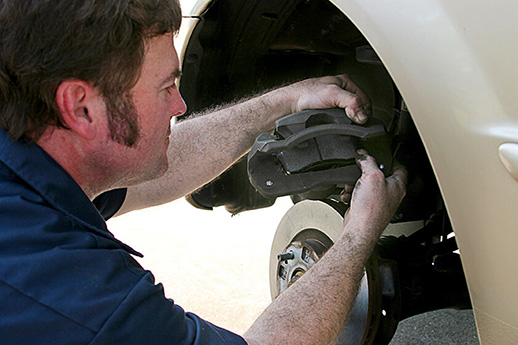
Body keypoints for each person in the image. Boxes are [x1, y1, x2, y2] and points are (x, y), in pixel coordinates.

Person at [0, 0, 407, 344]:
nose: (179, 105)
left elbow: (162, 167)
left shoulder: (32, 154)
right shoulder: (76, 298)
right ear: (81, 106)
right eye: (165, 87)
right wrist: (356, 236)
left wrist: (286, 99)